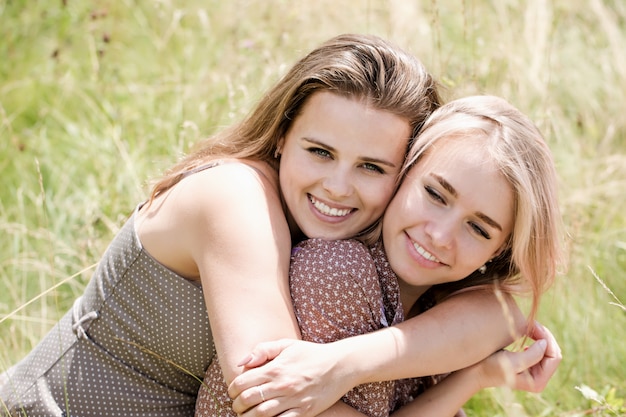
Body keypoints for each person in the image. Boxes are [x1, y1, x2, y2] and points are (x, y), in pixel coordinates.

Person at [0, 34, 441, 417]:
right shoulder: (233, 196)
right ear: (283, 134)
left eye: (371, 167)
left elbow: (485, 312)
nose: (339, 187)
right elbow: (272, 399)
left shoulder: (367, 239)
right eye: (320, 152)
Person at [223, 95, 565, 417]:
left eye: (478, 229)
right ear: (404, 170)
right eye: (434, 194)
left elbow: (500, 315)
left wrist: (477, 375)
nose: (441, 236)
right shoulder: (339, 274)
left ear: (500, 249)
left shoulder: (440, 314)